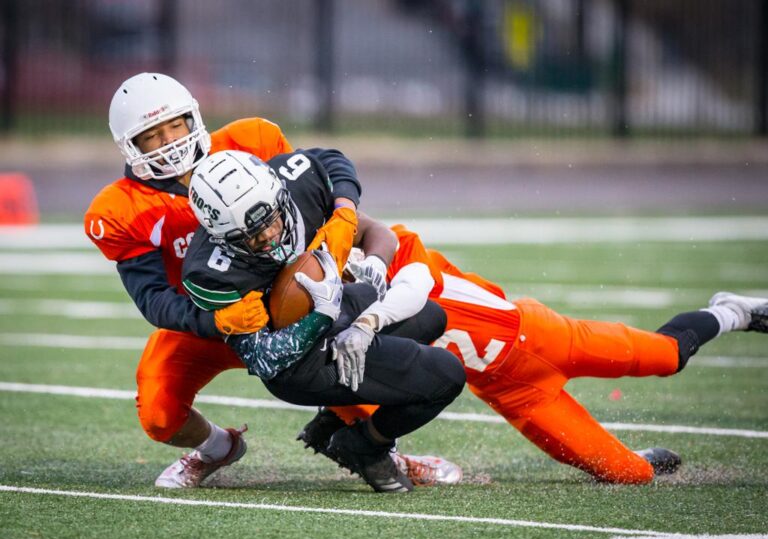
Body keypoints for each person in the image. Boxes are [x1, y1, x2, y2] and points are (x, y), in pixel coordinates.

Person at [303, 225, 768, 484]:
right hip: (515, 394)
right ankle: (634, 455)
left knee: (667, 356)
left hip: (543, 336)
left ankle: (734, 312)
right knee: (632, 475)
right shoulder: (340, 321)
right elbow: (357, 377)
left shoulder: (405, 253)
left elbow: (408, 273)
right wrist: (350, 419)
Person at [83, 72, 363, 489]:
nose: (170, 141)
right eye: (153, 136)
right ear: (131, 146)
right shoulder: (121, 209)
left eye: (175, 125)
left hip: (286, 305)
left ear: (193, 117)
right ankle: (217, 448)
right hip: (210, 320)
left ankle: (382, 451)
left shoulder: (251, 141)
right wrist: (217, 321)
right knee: (159, 413)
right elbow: (153, 300)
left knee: (359, 375)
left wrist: (344, 213)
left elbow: (315, 183)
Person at [183, 150, 466, 493]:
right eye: (253, 236)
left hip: (335, 307)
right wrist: (320, 316)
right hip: (300, 362)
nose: (271, 236)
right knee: (447, 375)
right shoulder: (211, 273)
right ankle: (366, 445)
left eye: (272, 219)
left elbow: (336, 164)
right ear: (222, 238)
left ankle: (334, 420)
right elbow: (265, 360)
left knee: (430, 317)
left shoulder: (299, 186)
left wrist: (376, 261)